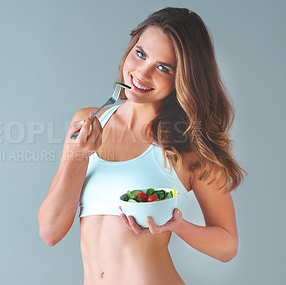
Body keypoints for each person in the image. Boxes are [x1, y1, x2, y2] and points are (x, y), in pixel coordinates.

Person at [38, 7, 246, 285]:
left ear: (182, 78)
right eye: (140, 53)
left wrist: (178, 226)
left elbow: (227, 244)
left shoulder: (188, 146)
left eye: (163, 68)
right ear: (130, 47)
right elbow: (50, 231)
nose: (141, 73)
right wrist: (77, 156)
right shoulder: (87, 123)